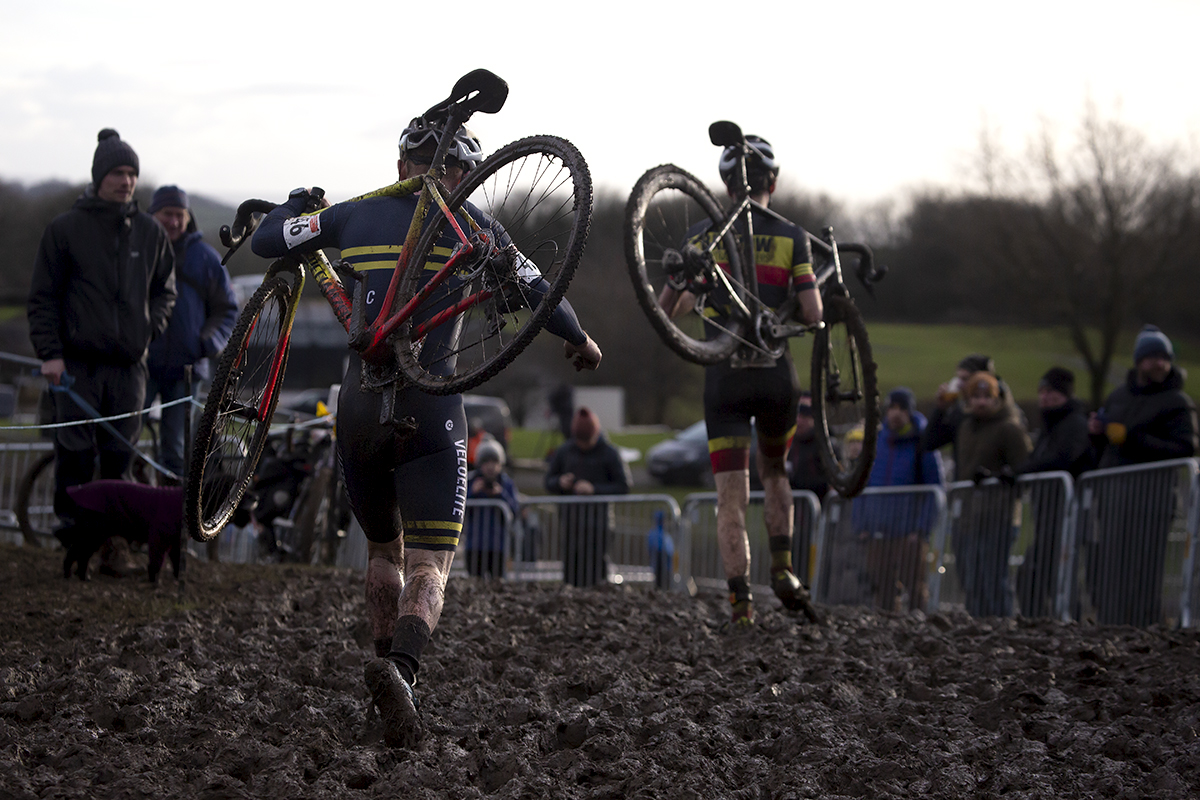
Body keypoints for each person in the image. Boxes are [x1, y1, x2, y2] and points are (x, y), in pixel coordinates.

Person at [250, 117, 603, 748]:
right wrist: (579, 339)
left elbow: (267, 241)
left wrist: (296, 205)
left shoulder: (353, 216)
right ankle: (402, 674)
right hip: (432, 412)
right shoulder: (480, 229)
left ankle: (381, 667)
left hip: (356, 410)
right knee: (430, 564)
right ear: (464, 175)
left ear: (400, 168)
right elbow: (542, 292)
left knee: (382, 554)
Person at [658, 134, 823, 626]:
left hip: (724, 381)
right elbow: (814, 313)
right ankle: (783, 569)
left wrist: (684, 284)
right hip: (777, 375)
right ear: (773, 181)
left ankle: (740, 605)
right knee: (776, 473)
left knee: (730, 495)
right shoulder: (792, 235)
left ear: (726, 185)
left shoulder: (704, 234)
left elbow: (672, 310)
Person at [27, 129, 176, 524]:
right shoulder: (64, 229)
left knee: (119, 458)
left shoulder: (151, 233)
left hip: (130, 368)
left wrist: (149, 329)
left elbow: (166, 291)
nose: (126, 181)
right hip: (76, 366)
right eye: (117, 172)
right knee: (74, 456)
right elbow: (43, 298)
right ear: (98, 177)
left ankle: (112, 541)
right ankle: (72, 534)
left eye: (131, 173)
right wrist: (50, 355)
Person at [1086, 325, 1198, 626]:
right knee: (1112, 567)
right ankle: (1109, 624)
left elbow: (1186, 447)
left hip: (1152, 502)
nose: (1160, 363)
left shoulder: (1177, 402)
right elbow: (1103, 447)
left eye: (1165, 357)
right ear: (1138, 361)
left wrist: (1132, 438)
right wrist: (1097, 434)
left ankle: (1144, 629)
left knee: (1145, 570)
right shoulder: (1118, 396)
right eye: (1152, 357)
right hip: (1114, 498)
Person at [145, 185, 238, 482]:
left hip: (187, 369)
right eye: (166, 214)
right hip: (139, 364)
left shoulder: (206, 258)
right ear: (153, 214)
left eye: (179, 215)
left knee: (175, 448)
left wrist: (207, 342)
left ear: (188, 217)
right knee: (123, 439)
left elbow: (227, 308)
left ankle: (170, 516)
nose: (173, 221)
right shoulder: (137, 250)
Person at [853, 387, 944, 611]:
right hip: (877, 530)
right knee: (881, 584)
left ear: (910, 412)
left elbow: (935, 489)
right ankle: (886, 629)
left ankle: (918, 629)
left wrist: (921, 528)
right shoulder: (875, 441)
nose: (896, 413)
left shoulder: (923, 443)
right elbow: (862, 483)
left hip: (908, 532)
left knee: (915, 585)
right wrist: (861, 524)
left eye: (902, 408)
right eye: (892, 407)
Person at [1015, 366, 1095, 617]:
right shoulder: (1048, 428)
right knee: (1040, 575)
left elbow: (1061, 459)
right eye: (1042, 391)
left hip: (1067, 514)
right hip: (1047, 513)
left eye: (1052, 392)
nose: (1045, 397)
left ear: (1065, 395)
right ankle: (1043, 625)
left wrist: (1020, 471)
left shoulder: (1075, 424)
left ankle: (1072, 625)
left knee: (1053, 576)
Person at [952, 371, 1032, 617]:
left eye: (987, 396)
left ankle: (1001, 626)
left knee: (993, 578)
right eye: (976, 396)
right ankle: (976, 628)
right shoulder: (965, 427)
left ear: (997, 398)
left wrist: (996, 477)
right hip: (969, 517)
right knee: (972, 578)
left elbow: (1024, 468)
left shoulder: (1010, 428)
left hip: (999, 515)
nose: (981, 402)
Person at [543, 407, 631, 587]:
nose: (583, 445)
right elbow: (548, 481)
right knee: (571, 573)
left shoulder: (610, 453)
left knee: (597, 574)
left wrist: (594, 489)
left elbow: (624, 486)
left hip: (599, 525)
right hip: (571, 524)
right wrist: (560, 482)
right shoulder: (565, 451)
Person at [463, 439, 520, 579]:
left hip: (498, 546)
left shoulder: (505, 483)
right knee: (474, 584)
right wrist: (472, 493)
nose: (490, 467)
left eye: (494, 462)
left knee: (498, 584)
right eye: (486, 462)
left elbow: (515, 509)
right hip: (474, 546)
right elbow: (459, 509)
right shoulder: (470, 481)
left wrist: (500, 494)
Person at [787, 392, 830, 500]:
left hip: (819, 506)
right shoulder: (790, 444)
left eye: (804, 417)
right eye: (797, 416)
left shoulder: (825, 446)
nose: (799, 421)